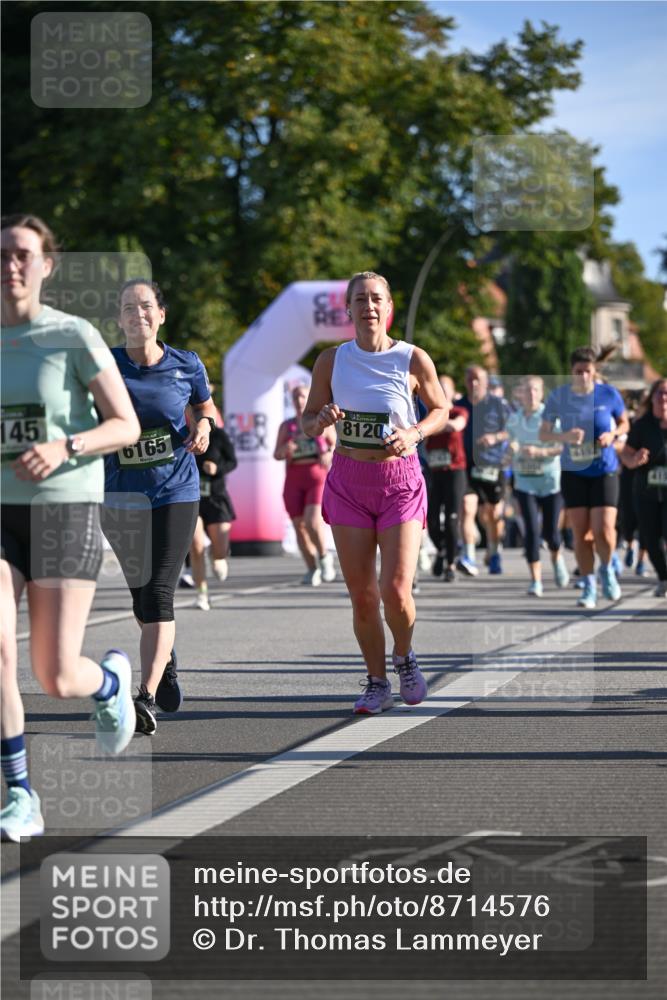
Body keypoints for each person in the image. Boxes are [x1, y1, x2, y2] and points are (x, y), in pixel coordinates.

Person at [0, 214, 140, 841]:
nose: (10, 265)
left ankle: (108, 683)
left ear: (46, 266)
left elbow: (125, 425)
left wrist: (65, 446)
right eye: (1, 254)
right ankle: (20, 794)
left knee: (55, 676)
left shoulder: (71, 335)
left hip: (64, 508)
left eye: (23, 254)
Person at [301, 271, 447, 714]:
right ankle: (377, 681)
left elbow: (440, 409)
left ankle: (404, 657)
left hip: (399, 481)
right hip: (349, 481)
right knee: (363, 595)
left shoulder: (411, 358)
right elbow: (308, 422)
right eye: (360, 299)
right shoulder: (331, 361)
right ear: (348, 310)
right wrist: (321, 420)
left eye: (376, 299)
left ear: (389, 308)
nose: (368, 306)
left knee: (396, 590)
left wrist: (414, 433)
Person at [102, 279, 218, 735]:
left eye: (146, 306)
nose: (139, 315)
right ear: (120, 319)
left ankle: (144, 697)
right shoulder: (104, 365)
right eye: (129, 308)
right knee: (141, 597)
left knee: (159, 592)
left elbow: (206, 407)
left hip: (176, 489)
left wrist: (203, 427)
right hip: (120, 494)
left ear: (161, 314)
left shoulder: (186, 363)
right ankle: (165, 661)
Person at [540, 347, 629, 609]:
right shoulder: (559, 397)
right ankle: (589, 585)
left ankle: (607, 569)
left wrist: (612, 435)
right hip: (574, 472)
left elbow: (624, 423)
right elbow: (544, 434)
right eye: (578, 372)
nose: (583, 376)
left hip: (604, 469)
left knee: (604, 530)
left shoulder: (608, 394)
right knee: (581, 533)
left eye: (588, 371)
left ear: (594, 371)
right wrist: (565, 437)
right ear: (571, 371)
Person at [506, 375, 569, 596]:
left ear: (541, 393)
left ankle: (557, 557)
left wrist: (539, 452)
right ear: (521, 394)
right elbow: (510, 443)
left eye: (535, 390)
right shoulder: (514, 419)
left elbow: (562, 447)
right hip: (524, 482)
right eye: (527, 390)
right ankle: (536, 581)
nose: (531, 394)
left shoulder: (550, 417)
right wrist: (511, 450)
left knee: (551, 533)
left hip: (550, 482)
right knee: (532, 531)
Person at [274, 383, 336, 586]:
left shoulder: (322, 422)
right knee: (298, 526)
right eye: (295, 397)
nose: (299, 401)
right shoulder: (287, 426)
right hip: (294, 478)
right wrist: (286, 448)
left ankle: (324, 556)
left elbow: (337, 446)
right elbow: (277, 454)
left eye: (302, 396)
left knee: (312, 522)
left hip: (316, 477)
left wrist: (328, 453)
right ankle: (312, 568)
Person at [458, 365, 510, 576]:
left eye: (478, 379)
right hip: (466, 466)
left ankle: (494, 551)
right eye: (470, 379)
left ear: (486, 382)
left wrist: (495, 437)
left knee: (492, 515)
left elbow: (513, 429)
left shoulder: (498, 404)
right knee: (467, 508)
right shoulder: (458, 405)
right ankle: (469, 556)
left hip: (492, 465)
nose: (474, 383)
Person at [621, 378, 667, 597]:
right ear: (652, 397)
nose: (664, 397)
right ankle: (664, 578)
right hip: (646, 491)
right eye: (660, 393)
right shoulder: (642, 425)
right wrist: (635, 459)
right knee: (650, 537)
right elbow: (626, 455)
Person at [190, 422, 238, 611]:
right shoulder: (182, 433)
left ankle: (216, 555)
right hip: (190, 497)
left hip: (215, 497)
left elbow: (232, 461)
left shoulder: (218, 435)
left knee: (221, 549)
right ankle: (201, 593)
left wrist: (217, 468)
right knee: (196, 546)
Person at [425, 376, 468, 582]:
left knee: (451, 519)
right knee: (431, 520)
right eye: (438, 388)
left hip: (455, 471)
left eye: (445, 388)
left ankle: (450, 564)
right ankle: (443, 549)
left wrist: (431, 426)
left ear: (452, 391)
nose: (441, 392)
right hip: (435, 472)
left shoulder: (458, 411)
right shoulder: (428, 413)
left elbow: (456, 426)